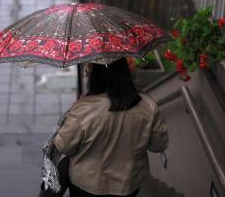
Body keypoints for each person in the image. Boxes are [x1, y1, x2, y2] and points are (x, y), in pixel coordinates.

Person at [54, 58, 169, 197]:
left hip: (87, 185)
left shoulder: (84, 109)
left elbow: (64, 146)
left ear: (97, 76)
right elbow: (158, 145)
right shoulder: (148, 106)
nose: (87, 73)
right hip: (129, 184)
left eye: (89, 70)